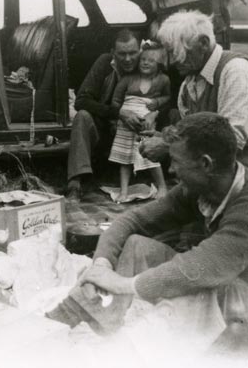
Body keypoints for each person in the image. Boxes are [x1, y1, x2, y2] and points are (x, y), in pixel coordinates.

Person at [48, 113, 248, 352]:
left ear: (205, 163)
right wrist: (100, 267)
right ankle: (82, 318)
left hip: (238, 297)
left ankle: (121, 352)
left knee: (206, 289)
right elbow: (132, 220)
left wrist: (124, 284)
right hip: (219, 282)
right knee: (135, 244)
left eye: (176, 161)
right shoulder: (199, 188)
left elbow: (202, 265)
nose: (171, 170)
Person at [140, 10, 248, 166]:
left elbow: (232, 141)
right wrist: (163, 138)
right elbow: (194, 137)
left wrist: (168, 146)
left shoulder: (234, 71)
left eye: (175, 52)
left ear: (203, 43)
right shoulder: (188, 83)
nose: (169, 62)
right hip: (212, 175)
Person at [67, 29, 142, 202]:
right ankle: (74, 185)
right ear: (113, 52)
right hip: (107, 131)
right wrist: (118, 113)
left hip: (136, 132)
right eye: (122, 54)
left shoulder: (147, 64)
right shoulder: (105, 63)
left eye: (133, 53)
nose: (128, 59)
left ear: (140, 50)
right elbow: (81, 100)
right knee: (82, 117)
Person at [108, 40, 170, 202]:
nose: (145, 63)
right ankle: (124, 191)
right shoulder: (128, 79)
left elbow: (168, 98)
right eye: (143, 59)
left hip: (145, 124)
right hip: (125, 124)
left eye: (151, 60)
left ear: (160, 64)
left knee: (151, 154)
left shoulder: (163, 80)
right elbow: (115, 101)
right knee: (125, 158)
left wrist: (156, 106)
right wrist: (122, 113)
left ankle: (162, 187)